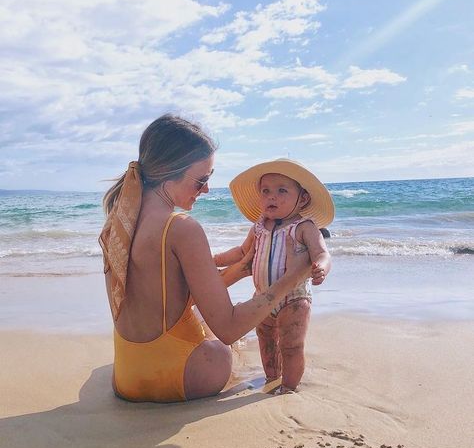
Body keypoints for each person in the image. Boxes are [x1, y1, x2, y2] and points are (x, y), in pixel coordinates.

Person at [99, 115, 314, 403]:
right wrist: (294, 275)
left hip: (126, 378)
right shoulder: (181, 228)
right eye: (202, 180)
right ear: (170, 171)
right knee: (221, 346)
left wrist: (240, 269)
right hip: (178, 379)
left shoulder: (120, 220)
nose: (207, 190)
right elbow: (229, 327)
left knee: (201, 317)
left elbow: (166, 297)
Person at [213, 159, 334, 394]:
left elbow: (322, 252)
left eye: (282, 191)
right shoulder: (259, 227)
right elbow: (240, 253)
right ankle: (272, 379)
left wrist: (321, 266)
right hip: (262, 297)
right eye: (266, 191)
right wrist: (215, 260)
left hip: (294, 299)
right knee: (266, 340)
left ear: (303, 198)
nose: (272, 197)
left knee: (291, 345)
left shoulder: (304, 227)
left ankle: (288, 387)